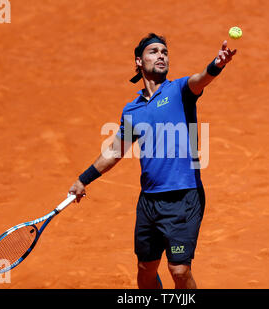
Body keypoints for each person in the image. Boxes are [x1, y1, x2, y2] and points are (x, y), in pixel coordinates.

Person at [69, 33, 236, 289]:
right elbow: (115, 150)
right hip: (148, 201)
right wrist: (83, 179)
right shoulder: (132, 110)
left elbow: (201, 79)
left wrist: (218, 64)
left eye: (165, 52)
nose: (161, 55)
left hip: (183, 197)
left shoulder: (180, 90)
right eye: (154, 51)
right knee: (145, 270)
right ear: (139, 61)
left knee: (179, 270)